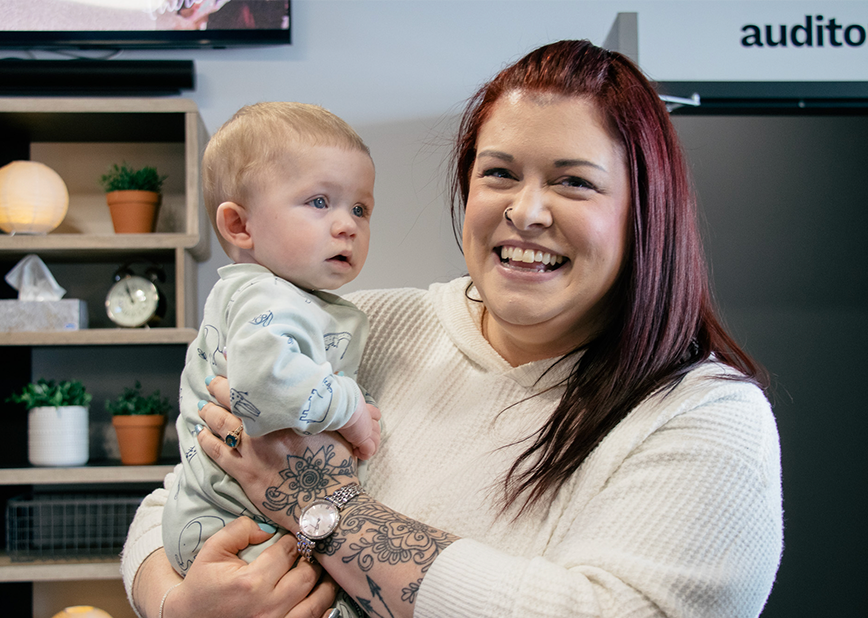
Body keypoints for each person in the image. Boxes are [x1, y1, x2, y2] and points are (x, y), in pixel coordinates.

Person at [122, 40, 783, 618]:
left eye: (574, 182)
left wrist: (326, 510)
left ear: (646, 212)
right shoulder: (365, 325)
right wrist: (176, 605)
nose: (525, 211)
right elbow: (170, 500)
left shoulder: (707, 415)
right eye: (499, 173)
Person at [162, 101, 381, 578]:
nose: (347, 224)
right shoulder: (268, 295)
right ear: (241, 225)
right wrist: (353, 409)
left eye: (360, 208)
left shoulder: (268, 295)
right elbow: (265, 382)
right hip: (238, 532)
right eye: (319, 202)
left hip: (220, 520)